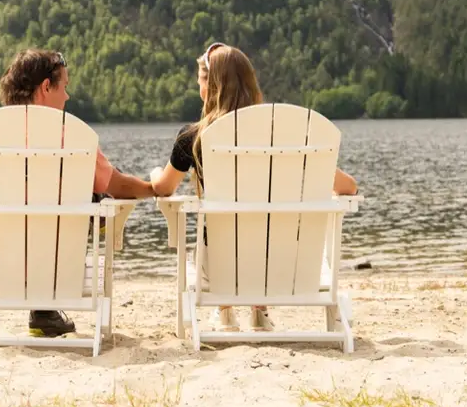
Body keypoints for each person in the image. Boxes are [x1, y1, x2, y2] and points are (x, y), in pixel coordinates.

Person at [0, 48, 153, 337]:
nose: (67, 97)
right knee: (95, 201)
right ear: (46, 87)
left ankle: (44, 314)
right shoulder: (73, 138)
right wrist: (153, 188)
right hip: (56, 276)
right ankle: (44, 310)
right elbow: (116, 184)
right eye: (64, 87)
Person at [148, 42, 358, 333]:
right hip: (287, 265)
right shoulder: (285, 138)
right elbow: (348, 187)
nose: (199, 88)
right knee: (267, 227)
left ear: (211, 86)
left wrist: (155, 172)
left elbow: (162, 187)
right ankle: (259, 311)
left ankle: (224, 312)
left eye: (200, 82)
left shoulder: (194, 138)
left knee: (225, 233)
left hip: (222, 270)